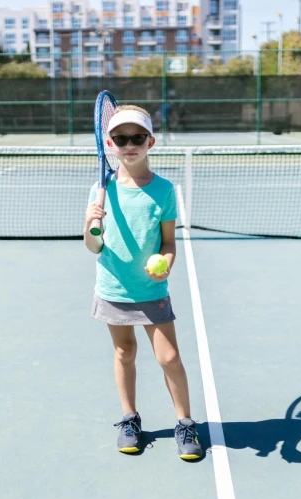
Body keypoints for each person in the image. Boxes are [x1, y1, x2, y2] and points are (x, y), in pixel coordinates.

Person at [84, 105, 203, 461]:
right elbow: (94, 246)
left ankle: (185, 422)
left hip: (151, 290)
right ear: (110, 144)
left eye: (137, 138)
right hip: (113, 289)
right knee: (124, 352)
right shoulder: (100, 188)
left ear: (150, 142)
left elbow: (168, 242)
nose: (129, 144)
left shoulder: (164, 191)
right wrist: (90, 224)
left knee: (169, 358)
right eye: (121, 138)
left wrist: (166, 263)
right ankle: (129, 419)